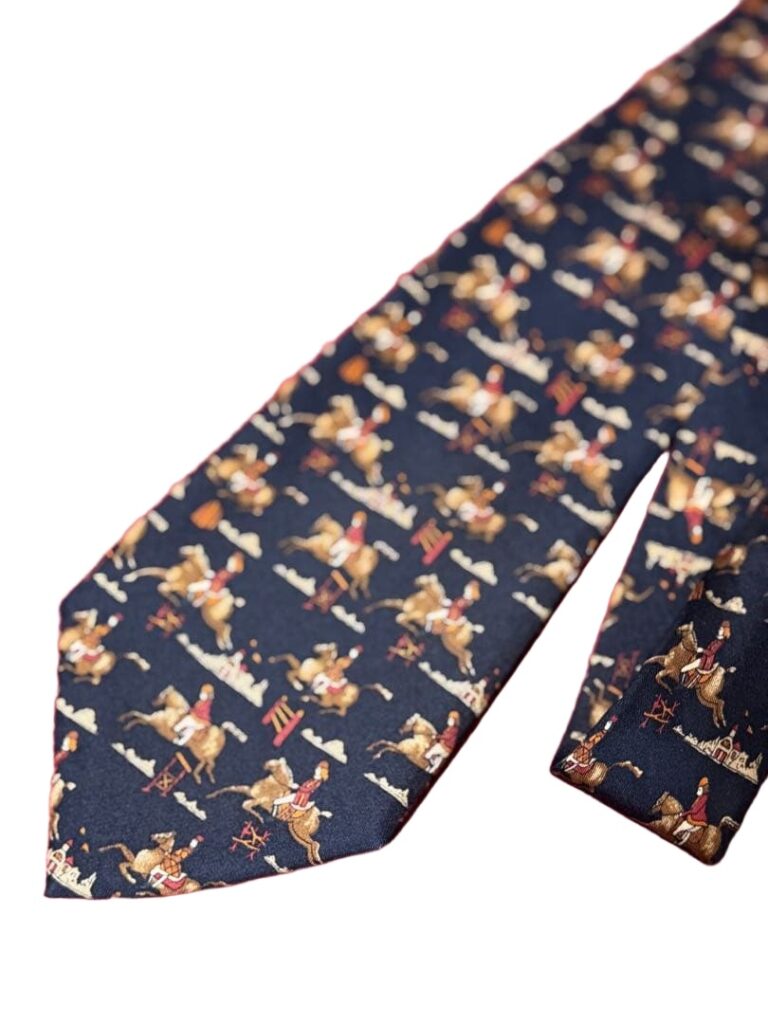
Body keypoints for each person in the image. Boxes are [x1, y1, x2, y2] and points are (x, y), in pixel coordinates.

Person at [672, 778, 710, 845]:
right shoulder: (700, 798)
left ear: (703, 790)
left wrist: (683, 814)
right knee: (687, 827)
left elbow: (695, 811)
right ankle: (680, 841)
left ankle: (676, 836)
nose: (697, 791)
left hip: (697, 818)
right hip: (694, 816)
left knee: (682, 827)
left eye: (699, 789)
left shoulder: (703, 799)